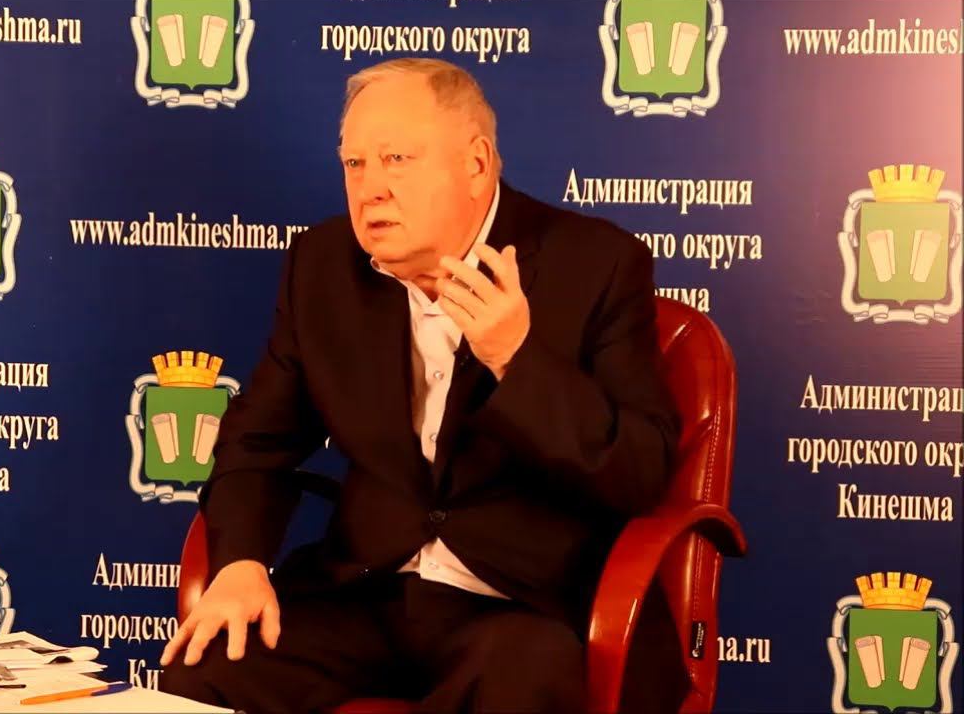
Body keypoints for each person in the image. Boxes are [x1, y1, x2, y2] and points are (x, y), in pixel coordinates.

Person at [159, 57, 686, 714]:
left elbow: (639, 472)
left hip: (523, 604)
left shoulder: (596, 263)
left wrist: (516, 359)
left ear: (476, 164)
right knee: (206, 670)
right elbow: (256, 442)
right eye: (355, 164)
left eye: (396, 159)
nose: (370, 188)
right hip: (365, 591)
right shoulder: (322, 266)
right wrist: (239, 564)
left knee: (522, 679)